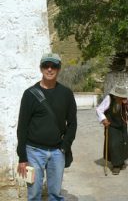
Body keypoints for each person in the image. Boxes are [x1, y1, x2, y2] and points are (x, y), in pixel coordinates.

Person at [16, 53, 77, 200]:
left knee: (55, 195)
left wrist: (64, 146)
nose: (49, 69)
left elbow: (72, 123)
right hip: (33, 151)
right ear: (41, 68)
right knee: (34, 195)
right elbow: (22, 126)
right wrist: (22, 157)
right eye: (46, 66)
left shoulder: (66, 94)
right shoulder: (30, 94)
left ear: (59, 68)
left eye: (54, 66)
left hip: (57, 152)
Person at [96, 85, 128, 175]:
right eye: (120, 97)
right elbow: (99, 110)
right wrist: (104, 119)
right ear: (116, 95)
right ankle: (116, 165)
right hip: (111, 125)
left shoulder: (126, 99)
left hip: (122, 125)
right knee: (113, 144)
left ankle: (121, 162)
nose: (122, 98)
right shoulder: (109, 98)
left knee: (123, 143)